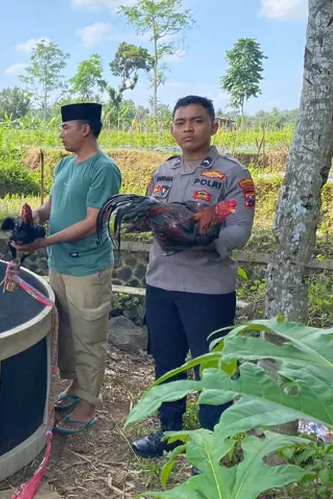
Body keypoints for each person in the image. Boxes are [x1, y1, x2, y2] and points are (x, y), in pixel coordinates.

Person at [130, 95, 256, 459]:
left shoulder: (233, 174)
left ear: (214, 126)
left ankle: (211, 442)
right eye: (181, 121)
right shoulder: (163, 171)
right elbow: (154, 217)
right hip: (161, 283)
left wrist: (202, 240)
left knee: (211, 369)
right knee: (167, 362)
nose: (188, 128)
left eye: (197, 121)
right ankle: (168, 433)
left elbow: (240, 230)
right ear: (172, 128)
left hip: (208, 289)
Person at [12, 102, 122, 435]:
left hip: (87, 266)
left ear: (85, 129)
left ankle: (88, 403)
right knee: (68, 331)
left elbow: (92, 223)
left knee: (90, 334)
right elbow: (53, 204)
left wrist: (43, 242)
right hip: (59, 263)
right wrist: (35, 218)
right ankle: (76, 385)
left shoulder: (104, 169)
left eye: (66, 127)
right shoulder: (64, 165)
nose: (61, 133)